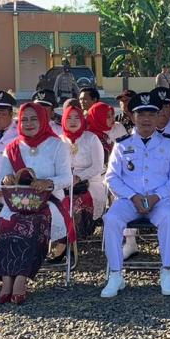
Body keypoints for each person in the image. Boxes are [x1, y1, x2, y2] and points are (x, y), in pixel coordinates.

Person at [101, 92, 170, 298]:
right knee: (111, 218)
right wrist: (133, 197)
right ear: (132, 117)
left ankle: (167, 272)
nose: (146, 119)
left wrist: (156, 196)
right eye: (141, 114)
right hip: (129, 200)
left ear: (158, 117)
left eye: (151, 114)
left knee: (169, 217)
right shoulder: (122, 145)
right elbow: (111, 177)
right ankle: (115, 274)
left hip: (159, 200)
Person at [0, 103, 73, 304]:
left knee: (34, 222)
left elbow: (67, 177)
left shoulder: (57, 145)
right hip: (18, 201)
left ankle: (20, 279)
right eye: (24, 119)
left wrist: (49, 183)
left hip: (49, 201)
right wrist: (6, 180)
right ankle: (6, 279)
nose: (29, 123)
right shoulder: (12, 148)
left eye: (34, 118)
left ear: (43, 120)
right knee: (6, 221)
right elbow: (0, 179)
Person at [59, 103, 106, 245]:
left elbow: (98, 166)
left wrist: (79, 177)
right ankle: (62, 238)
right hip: (63, 183)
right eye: (69, 118)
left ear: (82, 120)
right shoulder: (58, 140)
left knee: (77, 202)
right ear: (63, 120)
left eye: (76, 118)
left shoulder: (91, 138)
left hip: (90, 182)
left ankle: (69, 239)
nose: (73, 121)